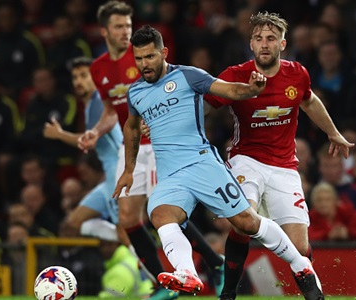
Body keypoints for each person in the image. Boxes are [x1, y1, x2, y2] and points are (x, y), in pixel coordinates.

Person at [113, 24, 323, 300]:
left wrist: (250, 90)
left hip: (202, 165)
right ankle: (186, 273)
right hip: (171, 175)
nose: (144, 65)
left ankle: (300, 265)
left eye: (150, 57)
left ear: (163, 53)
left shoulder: (188, 76)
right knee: (161, 216)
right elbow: (130, 127)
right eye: (139, 59)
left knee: (247, 223)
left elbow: (229, 91)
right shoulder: (136, 92)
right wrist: (129, 169)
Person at [194, 11, 353, 300]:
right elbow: (204, 107)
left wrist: (333, 132)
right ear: (251, 44)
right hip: (246, 159)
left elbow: (309, 101)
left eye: (271, 38)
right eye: (258, 38)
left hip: (284, 166)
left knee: (300, 246)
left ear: (282, 44)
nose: (264, 44)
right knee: (243, 222)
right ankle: (228, 293)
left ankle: (311, 287)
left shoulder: (297, 74)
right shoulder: (235, 76)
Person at [77, 2, 225, 298]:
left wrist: (156, 123)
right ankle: (165, 282)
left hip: (159, 145)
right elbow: (112, 111)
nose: (125, 32)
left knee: (163, 211)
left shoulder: (143, 60)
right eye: (119, 27)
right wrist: (96, 130)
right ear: (105, 30)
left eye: (128, 26)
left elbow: (169, 95)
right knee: (127, 221)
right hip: (130, 146)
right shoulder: (99, 68)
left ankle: (211, 263)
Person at [43, 56, 123, 242]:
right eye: (75, 77)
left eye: (83, 76)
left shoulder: (98, 102)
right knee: (74, 223)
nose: (78, 81)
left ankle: (146, 270)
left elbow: (89, 140)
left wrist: (60, 134)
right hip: (109, 176)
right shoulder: (89, 104)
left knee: (125, 232)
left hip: (118, 174)